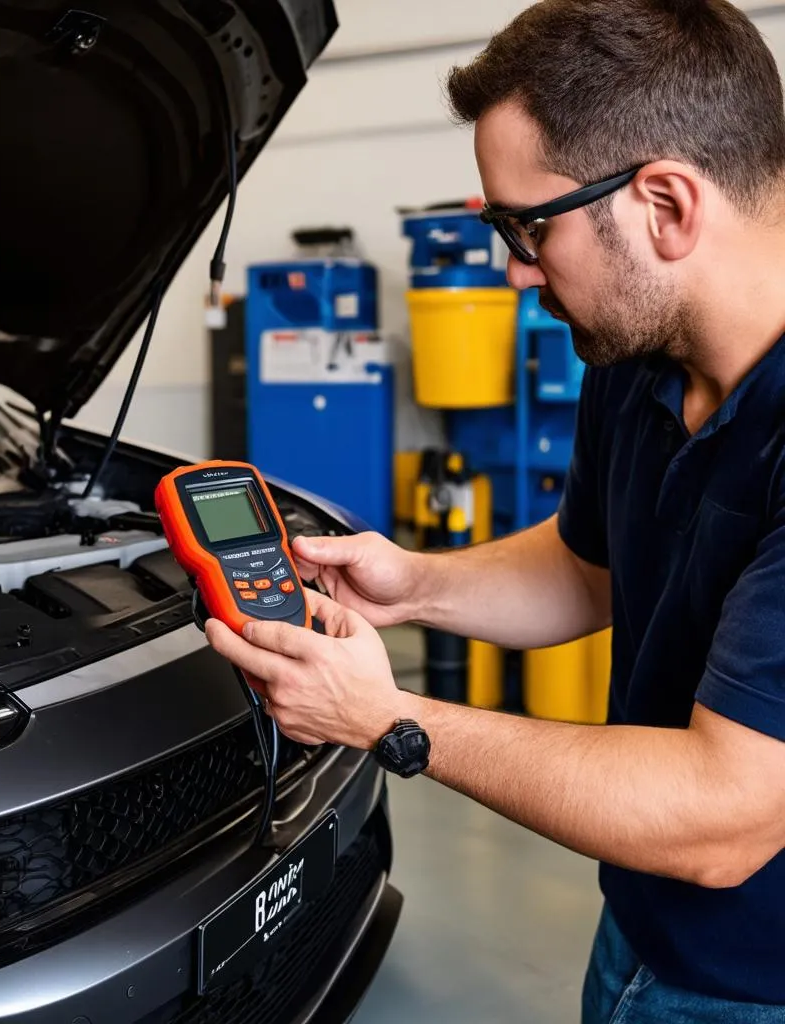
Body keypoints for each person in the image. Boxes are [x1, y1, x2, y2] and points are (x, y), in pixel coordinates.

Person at [204, 0, 785, 1020]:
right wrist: (415, 584)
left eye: (528, 228)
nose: (517, 274)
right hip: (639, 923)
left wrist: (387, 716)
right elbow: (586, 567)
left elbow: (718, 818)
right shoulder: (634, 351)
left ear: (665, 205)